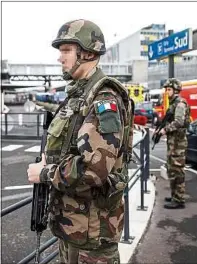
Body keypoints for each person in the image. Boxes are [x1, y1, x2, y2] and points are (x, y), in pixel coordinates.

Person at [27, 19, 134, 264]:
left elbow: (94, 171)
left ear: (87, 52)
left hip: (93, 235)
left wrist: (44, 173)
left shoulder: (103, 99)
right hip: (76, 226)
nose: (60, 58)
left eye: (66, 50)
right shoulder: (81, 94)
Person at [156, 78, 190, 209]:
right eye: (166, 89)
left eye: (169, 89)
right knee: (171, 169)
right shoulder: (173, 103)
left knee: (177, 170)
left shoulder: (180, 104)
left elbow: (179, 122)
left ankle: (179, 199)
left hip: (178, 144)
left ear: (176, 91)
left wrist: (165, 130)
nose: (166, 92)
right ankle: (175, 195)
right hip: (173, 143)